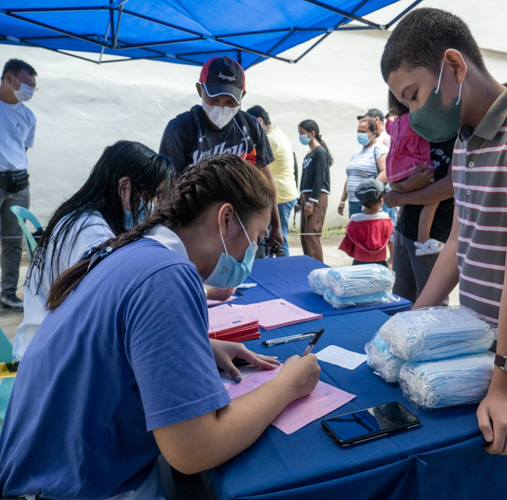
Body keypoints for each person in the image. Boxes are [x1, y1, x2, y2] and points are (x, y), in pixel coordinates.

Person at [0, 155, 321, 499]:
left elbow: (113, 341)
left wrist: (199, 348)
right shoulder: (168, 276)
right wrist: (287, 385)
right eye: (255, 240)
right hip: (74, 487)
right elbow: (193, 450)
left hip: (37, 468)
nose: (251, 256)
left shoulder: (138, 251)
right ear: (226, 218)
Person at [381, 9, 507, 499]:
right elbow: (459, 242)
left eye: (414, 95)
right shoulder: (467, 139)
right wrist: (413, 320)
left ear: (453, 65)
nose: (413, 114)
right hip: (482, 348)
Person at [13, 141, 176, 361]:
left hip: (49, 346)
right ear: (124, 187)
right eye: (154, 197)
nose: (156, 206)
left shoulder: (83, 214)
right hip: (49, 359)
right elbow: (104, 312)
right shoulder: (91, 232)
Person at [159, 56, 283, 251]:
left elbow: (266, 180)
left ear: (242, 95)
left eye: (230, 102)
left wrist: (275, 225)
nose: (222, 107)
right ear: (200, 90)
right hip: (196, 231)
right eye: (214, 100)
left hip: (243, 227)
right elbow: (167, 190)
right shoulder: (181, 130)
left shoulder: (250, 127)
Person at [385, 90, 444, 256]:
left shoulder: (395, 123)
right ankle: (423, 238)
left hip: (397, 169)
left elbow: (389, 129)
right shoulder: (416, 119)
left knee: (406, 201)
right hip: (415, 166)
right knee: (432, 198)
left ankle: (399, 229)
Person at [0, 58, 37, 312]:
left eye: (34, 86)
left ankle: (7, 294)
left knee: (13, 240)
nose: (30, 90)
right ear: (8, 78)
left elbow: (22, 150)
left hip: (18, 184)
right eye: (26, 84)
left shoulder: (28, 116)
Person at [247, 105, 298, 256]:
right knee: (279, 234)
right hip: (286, 191)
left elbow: (256, 165)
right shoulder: (279, 133)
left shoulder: (268, 138)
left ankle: (283, 269)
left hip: (279, 194)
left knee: (278, 236)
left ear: (259, 121)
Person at [339, 118, 390, 218]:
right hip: (353, 201)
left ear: (374, 133)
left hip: (369, 203)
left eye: (363, 132)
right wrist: (342, 200)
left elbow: (385, 172)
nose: (359, 134)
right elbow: (350, 177)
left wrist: (370, 193)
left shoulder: (379, 149)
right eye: (358, 131)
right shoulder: (356, 153)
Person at [297, 120, 332, 262]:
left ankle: (318, 268)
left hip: (316, 197)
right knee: (305, 235)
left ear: (312, 134)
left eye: (302, 133)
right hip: (307, 196)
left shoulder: (320, 152)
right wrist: (301, 201)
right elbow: (305, 179)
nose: (300, 136)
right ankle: (308, 265)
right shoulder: (309, 154)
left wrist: (312, 201)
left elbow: (320, 177)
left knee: (312, 234)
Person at [339, 179, 393, 267]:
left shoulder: (354, 221)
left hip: (359, 263)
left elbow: (349, 244)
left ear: (361, 202)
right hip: (380, 263)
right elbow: (391, 241)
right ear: (381, 202)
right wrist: (391, 261)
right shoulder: (386, 220)